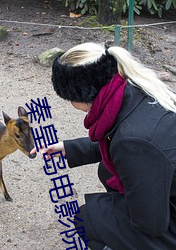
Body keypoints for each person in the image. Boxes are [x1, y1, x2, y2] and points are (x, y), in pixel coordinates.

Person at [31, 42, 176, 250]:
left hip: (167, 224)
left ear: (81, 94)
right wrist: (69, 148)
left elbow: (151, 224)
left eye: (69, 98)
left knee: (86, 218)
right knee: (106, 171)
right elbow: (121, 139)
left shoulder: (133, 142)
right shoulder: (135, 88)